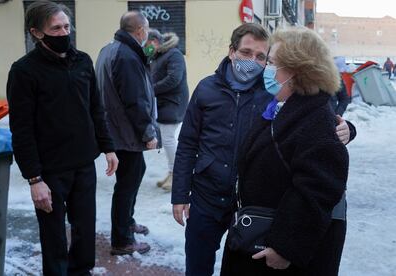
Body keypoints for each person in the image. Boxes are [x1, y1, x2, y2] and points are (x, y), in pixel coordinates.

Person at [172, 23, 356, 276]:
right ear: (231, 51)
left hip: (255, 219)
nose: (260, 65)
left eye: (266, 59)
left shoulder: (279, 96)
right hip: (211, 196)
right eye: (247, 53)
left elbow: (317, 170)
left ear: (295, 69)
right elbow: (188, 143)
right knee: (198, 264)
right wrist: (180, 193)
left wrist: (347, 129)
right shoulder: (210, 89)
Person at [221, 27, 349, 276]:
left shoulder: (315, 119)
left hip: (278, 253)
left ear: (297, 70)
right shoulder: (285, 106)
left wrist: (285, 248)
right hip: (258, 235)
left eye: (271, 62)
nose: (266, 68)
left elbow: (317, 190)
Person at [6, 1, 118, 275]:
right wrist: (34, 179)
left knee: (84, 230)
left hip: (83, 164)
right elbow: (21, 129)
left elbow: (95, 108)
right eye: (55, 28)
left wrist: (108, 147)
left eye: (66, 26)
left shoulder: (82, 61)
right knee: (53, 237)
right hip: (50, 170)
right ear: (36, 33)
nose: (64, 33)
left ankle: (81, 271)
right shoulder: (23, 71)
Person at [95, 11, 159, 256]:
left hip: (115, 129)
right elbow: (135, 100)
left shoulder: (109, 50)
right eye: (147, 30)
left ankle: (127, 222)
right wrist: (147, 132)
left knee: (134, 174)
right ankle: (122, 239)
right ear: (141, 31)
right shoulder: (127, 56)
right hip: (125, 132)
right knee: (126, 184)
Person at [145, 29, 189, 191]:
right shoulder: (157, 56)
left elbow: (173, 79)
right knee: (167, 138)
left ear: (155, 42)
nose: (145, 48)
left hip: (174, 103)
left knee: (169, 139)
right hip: (165, 103)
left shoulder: (173, 54)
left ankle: (177, 176)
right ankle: (172, 172)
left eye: (146, 44)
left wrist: (150, 90)